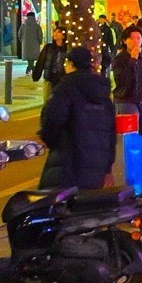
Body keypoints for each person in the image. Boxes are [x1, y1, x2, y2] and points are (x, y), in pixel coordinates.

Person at [37, 47, 116, 190]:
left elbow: (52, 121)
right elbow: (112, 133)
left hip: (67, 164)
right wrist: (107, 167)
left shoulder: (65, 88)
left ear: (70, 64)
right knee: (86, 207)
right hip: (97, 168)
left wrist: (52, 141)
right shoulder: (103, 94)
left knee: (53, 207)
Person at [112, 26, 142, 148]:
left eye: (138, 38)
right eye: (132, 38)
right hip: (126, 101)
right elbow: (122, 80)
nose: (136, 41)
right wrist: (133, 59)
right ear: (124, 41)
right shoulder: (119, 59)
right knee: (130, 140)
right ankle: (131, 166)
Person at [32, 26, 69, 98]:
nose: (55, 33)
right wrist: (36, 75)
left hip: (61, 81)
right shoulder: (48, 47)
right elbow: (40, 62)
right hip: (49, 79)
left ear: (64, 36)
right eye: (55, 31)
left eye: (59, 32)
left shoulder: (67, 49)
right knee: (47, 102)